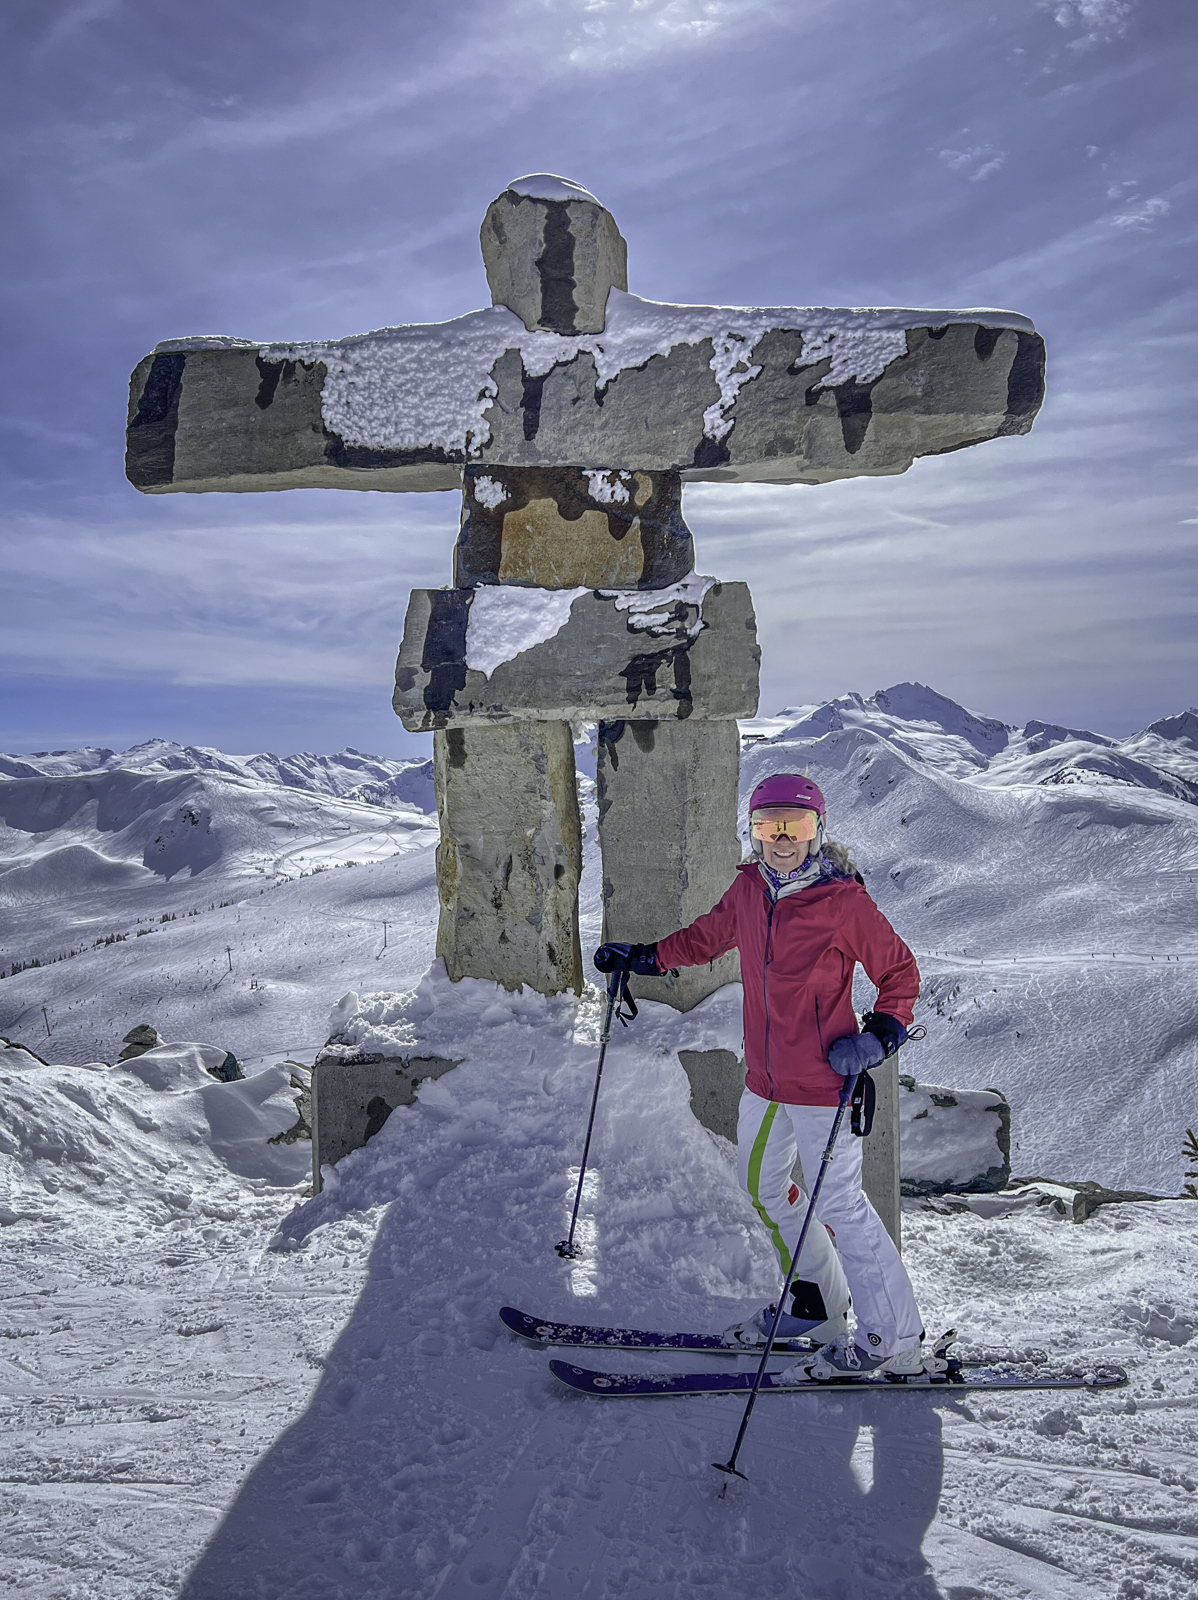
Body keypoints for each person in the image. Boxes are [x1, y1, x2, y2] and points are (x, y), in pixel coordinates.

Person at [594, 772, 926, 1377]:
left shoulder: (842, 901)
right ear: (753, 833)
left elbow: (899, 974)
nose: (782, 839)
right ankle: (815, 1302)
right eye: (769, 826)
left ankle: (895, 1339)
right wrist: (643, 958)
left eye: (795, 826)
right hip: (765, 1082)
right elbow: (706, 938)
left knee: (840, 1203)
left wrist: (878, 1036)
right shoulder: (749, 888)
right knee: (765, 1189)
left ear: (817, 831)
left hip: (826, 1084)